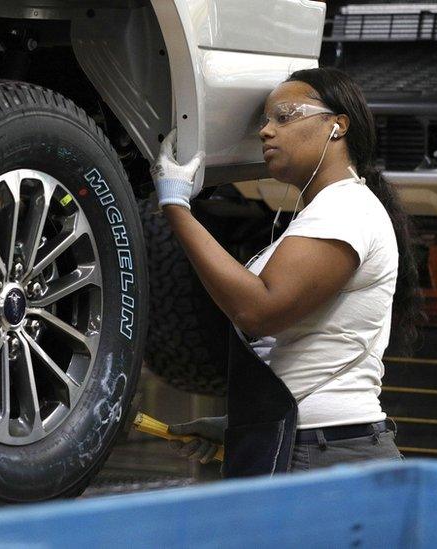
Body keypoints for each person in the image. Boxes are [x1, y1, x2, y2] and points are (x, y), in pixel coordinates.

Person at [151, 67, 422, 476]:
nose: (266, 131)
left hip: (326, 451)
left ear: (337, 125)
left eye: (285, 116)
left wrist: (176, 206)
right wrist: (243, 425)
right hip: (310, 442)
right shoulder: (328, 212)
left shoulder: (346, 210)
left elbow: (259, 309)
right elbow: (304, 351)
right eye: (264, 120)